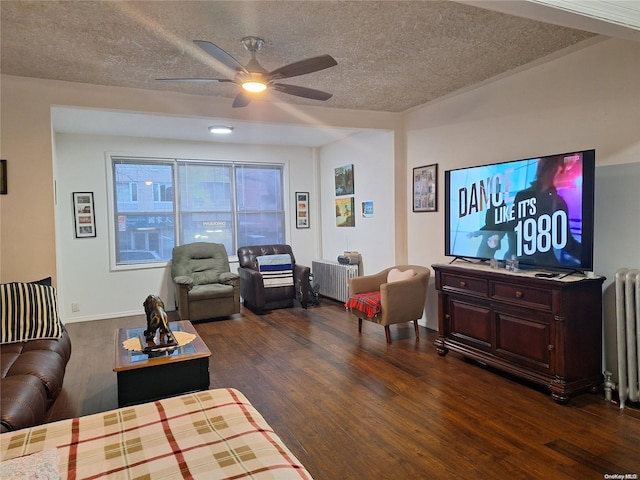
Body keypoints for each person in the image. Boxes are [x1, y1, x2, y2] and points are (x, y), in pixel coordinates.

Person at [511, 156, 581, 267]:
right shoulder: (523, 196)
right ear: (555, 170)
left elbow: (566, 242)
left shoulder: (558, 203)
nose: (565, 174)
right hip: (527, 264)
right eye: (565, 170)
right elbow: (513, 232)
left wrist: (587, 256)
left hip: (543, 266)